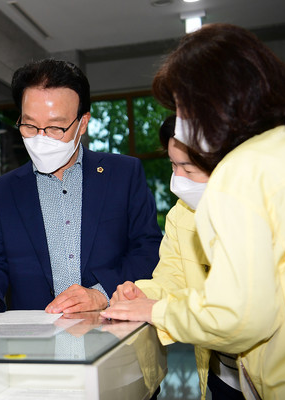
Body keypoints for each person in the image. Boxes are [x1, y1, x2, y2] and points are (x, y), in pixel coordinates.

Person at [101, 23, 285, 399]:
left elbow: (239, 318)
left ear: (218, 100)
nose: (182, 122)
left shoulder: (241, 171)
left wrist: (158, 313)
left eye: (184, 107)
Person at [0, 59, 162, 320]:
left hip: (113, 330)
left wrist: (101, 293)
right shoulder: (1, 193)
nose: (41, 138)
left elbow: (147, 249)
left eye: (55, 127)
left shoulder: (123, 175)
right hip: (36, 344)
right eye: (29, 125)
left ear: (82, 123)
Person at [103, 115, 243, 400]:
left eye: (188, 168)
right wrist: (140, 294)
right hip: (223, 372)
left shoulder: (259, 212)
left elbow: (242, 310)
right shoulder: (182, 214)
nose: (176, 180)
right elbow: (172, 277)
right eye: (172, 165)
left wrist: (154, 310)